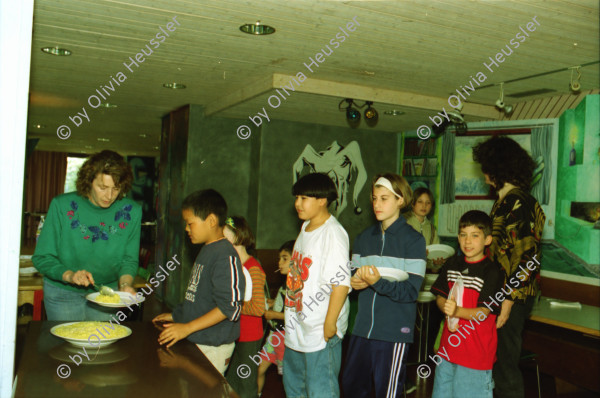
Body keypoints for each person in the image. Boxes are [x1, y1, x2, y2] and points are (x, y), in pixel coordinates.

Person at [473, 136, 545, 398]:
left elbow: (528, 258)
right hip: (504, 295)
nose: (483, 174)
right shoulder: (510, 200)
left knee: (504, 367)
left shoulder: (518, 202)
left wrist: (508, 299)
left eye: (485, 166)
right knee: (497, 364)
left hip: (509, 297)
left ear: (496, 167)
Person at [342, 173, 426, 398]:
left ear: (400, 200)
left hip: (393, 332)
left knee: (387, 393)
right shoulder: (363, 238)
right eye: (374, 198)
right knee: (351, 389)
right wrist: (353, 281)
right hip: (360, 330)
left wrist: (377, 282)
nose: (377, 204)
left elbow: (410, 291)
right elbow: (351, 272)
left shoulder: (414, 241)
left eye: (384, 198)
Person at [33, 150, 141, 321]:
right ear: (88, 181)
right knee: (67, 346)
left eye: (116, 188)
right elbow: (42, 257)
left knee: (98, 346)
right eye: (102, 187)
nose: (109, 196)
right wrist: (70, 275)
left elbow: (129, 260)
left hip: (107, 294)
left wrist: (126, 285)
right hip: (62, 292)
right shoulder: (61, 205)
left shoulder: (132, 211)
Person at [152, 189, 245, 375]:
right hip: (198, 339)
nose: (187, 229)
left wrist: (187, 328)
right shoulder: (206, 250)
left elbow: (230, 308)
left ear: (211, 221)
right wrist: (177, 315)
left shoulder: (225, 256)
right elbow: (198, 297)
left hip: (213, 346)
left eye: (190, 223)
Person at [283, 173, 351, 398]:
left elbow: (340, 284)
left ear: (322, 200)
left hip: (320, 329)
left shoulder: (333, 233)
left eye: (303, 198)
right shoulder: (305, 227)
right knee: (295, 387)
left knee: (321, 390)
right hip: (298, 326)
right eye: (296, 197)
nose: (297, 203)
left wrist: (330, 323)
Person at [430, 210, 505, 398]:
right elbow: (439, 296)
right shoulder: (452, 264)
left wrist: (456, 310)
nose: (467, 241)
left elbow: (483, 313)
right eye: (463, 235)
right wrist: (445, 306)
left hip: (475, 355)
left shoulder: (492, 271)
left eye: (474, 235)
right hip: (447, 351)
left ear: (487, 240)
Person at [224, 216, 266, 398]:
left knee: (246, 384)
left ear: (238, 236)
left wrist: (232, 305)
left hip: (249, 336)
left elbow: (258, 308)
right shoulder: (233, 265)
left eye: (224, 237)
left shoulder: (253, 267)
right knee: (232, 381)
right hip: (235, 332)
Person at [257, 240, 295, 396]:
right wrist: (272, 304)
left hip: (286, 338)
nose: (280, 263)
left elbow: (297, 315)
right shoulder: (285, 284)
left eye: (285, 258)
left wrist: (274, 315)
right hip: (274, 336)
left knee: (289, 379)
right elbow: (283, 304)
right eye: (279, 258)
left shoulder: (298, 286)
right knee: (259, 368)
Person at [404, 187, 445, 271]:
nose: (424, 206)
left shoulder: (432, 229)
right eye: (420, 202)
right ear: (412, 203)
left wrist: (436, 263)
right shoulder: (403, 223)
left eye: (428, 203)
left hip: (422, 273)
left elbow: (432, 263)